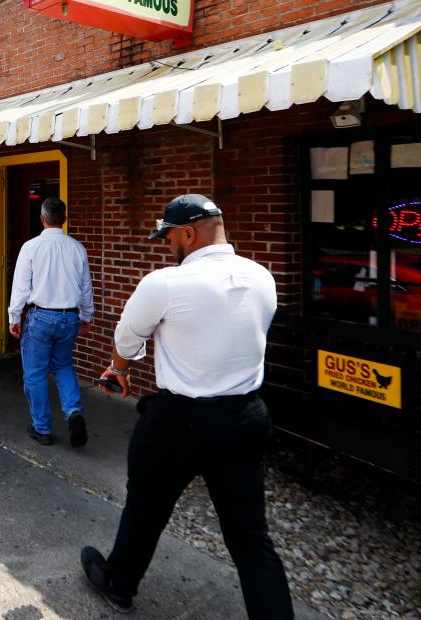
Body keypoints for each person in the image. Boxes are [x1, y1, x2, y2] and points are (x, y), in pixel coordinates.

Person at [81, 194, 293, 618]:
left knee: (145, 507)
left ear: (189, 233)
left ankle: (119, 585)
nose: (166, 245)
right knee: (251, 539)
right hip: (243, 417)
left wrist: (118, 369)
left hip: (179, 421)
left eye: (169, 237)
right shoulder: (262, 277)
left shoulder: (165, 283)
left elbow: (127, 338)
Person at [7, 197, 94, 447]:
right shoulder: (78, 248)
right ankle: (73, 411)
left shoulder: (31, 247)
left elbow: (21, 287)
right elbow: (85, 287)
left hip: (41, 317)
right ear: (64, 219)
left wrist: (14, 317)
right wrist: (86, 316)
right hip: (69, 317)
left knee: (35, 374)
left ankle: (42, 428)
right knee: (64, 365)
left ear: (42, 219)